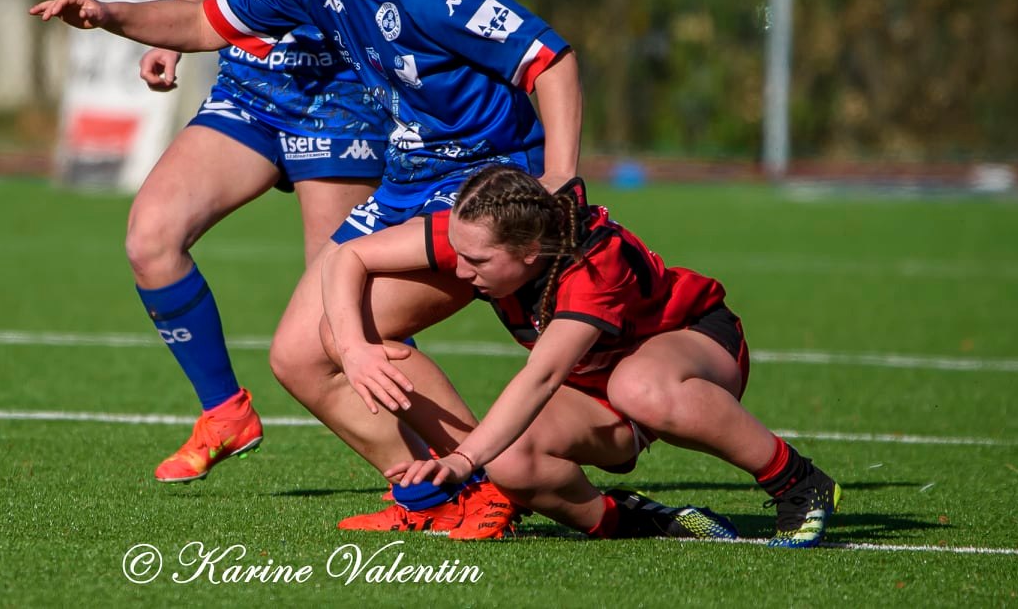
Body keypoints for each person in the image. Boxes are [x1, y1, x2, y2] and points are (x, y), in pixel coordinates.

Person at [33, 0, 581, 538]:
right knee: (297, 354)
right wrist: (108, 14)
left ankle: (480, 485)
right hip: (409, 179)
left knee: (348, 331)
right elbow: (203, 21)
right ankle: (426, 492)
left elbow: (549, 60)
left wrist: (557, 180)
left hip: (480, 189)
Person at [120, 0, 390, 484]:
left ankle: (431, 473)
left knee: (336, 319)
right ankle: (222, 410)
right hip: (249, 86)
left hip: (336, 94)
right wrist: (171, 34)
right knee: (150, 235)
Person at [324, 163, 841, 548]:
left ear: (529, 253)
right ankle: (630, 521)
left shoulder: (594, 269)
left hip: (694, 346)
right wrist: (354, 348)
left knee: (636, 386)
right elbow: (349, 255)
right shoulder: (481, 234)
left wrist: (461, 459)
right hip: (600, 381)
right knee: (508, 459)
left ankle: (797, 482)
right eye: (457, 252)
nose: (459, 271)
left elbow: (543, 375)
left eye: (476, 260)